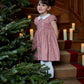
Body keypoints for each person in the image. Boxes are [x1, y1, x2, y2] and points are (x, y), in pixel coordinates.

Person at [32, 0, 60, 79]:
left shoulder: (50, 18)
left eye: (43, 5)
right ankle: (44, 77)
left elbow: (55, 31)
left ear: (49, 8)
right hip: (40, 42)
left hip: (48, 43)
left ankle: (50, 78)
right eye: (39, 4)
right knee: (41, 60)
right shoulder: (37, 19)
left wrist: (54, 42)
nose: (40, 7)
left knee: (47, 61)